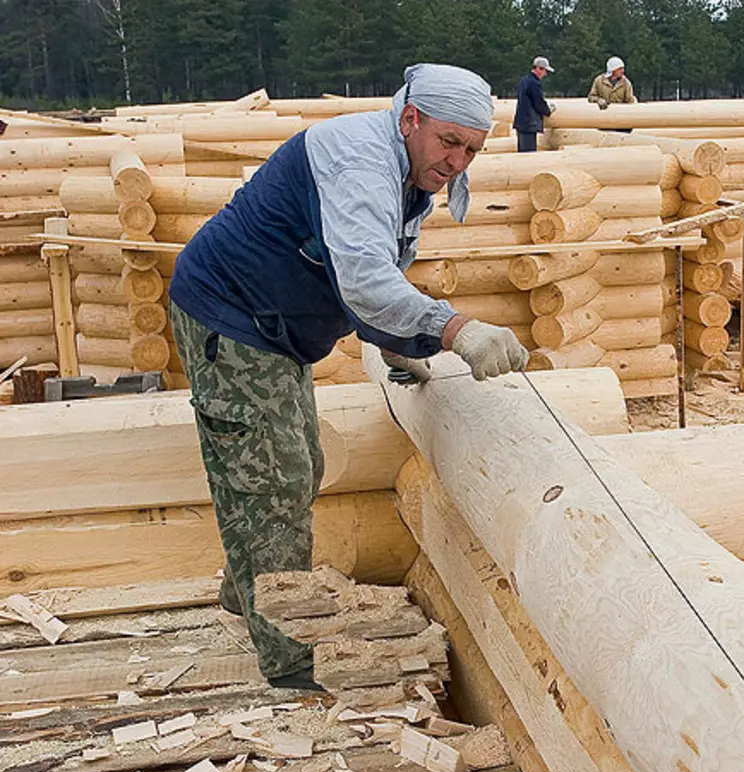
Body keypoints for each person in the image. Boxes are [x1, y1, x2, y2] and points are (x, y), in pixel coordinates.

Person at [168, 63, 528, 692]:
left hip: (272, 327)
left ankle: (244, 593)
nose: (458, 162)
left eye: (472, 149)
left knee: (292, 462)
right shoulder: (360, 160)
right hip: (231, 313)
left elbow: (370, 276)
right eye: (450, 142)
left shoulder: (409, 169)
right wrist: (454, 329)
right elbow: (365, 278)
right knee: (273, 474)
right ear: (411, 119)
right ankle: (288, 656)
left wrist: (399, 345)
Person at [514, 56, 555, 153]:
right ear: (539, 69)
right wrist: (548, 110)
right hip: (529, 123)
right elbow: (539, 103)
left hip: (521, 122)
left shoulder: (524, 80)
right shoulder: (534, 83)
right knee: (529, 154)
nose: (545, 74)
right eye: (545, 71)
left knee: (522, 152)